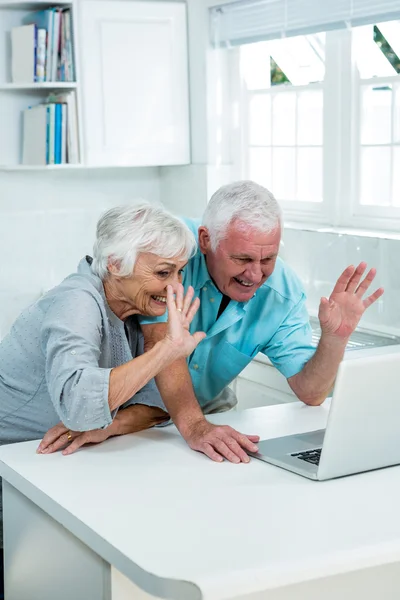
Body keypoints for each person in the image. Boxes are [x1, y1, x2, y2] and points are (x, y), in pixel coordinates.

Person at [0, 202, 207, 582]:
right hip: (11, 473)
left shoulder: (133, 309)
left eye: (179, 271)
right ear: (114, 263)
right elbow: (80, 406)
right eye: (163, 272)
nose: (176, 286)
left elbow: (156, 407)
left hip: (56, 467)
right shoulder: (76, 302)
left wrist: (108, 426)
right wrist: (165, 351)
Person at [136, 180, 384, 464]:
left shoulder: (283, 293)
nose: (255, 275)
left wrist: (335, 338)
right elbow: (159, 343)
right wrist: (195, 426)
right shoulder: (169, 250)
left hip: (201, 418)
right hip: (130, 416)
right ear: (205, 240)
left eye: (268, 258)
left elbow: (311, 392)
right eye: (242, 258)